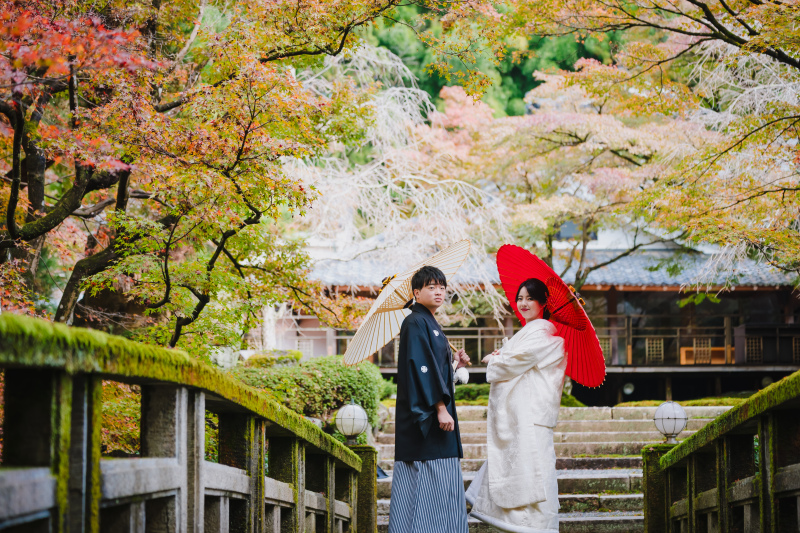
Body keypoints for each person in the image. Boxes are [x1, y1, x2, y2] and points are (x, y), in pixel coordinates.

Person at [465, 277, 567, 533]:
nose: (523, 303)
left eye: (530, 298)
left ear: (543, 302)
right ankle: (516, 522)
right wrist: (505, 354)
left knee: (536, 471)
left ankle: (536, 526)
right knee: (523, 468)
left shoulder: (547, 335)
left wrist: (495, 359)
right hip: (525, 413)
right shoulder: (531, 332)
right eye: (520, 298)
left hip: (532, 414)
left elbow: (518, 361)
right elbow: (518, 357)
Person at [388, 265, 471, 533]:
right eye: (431, 287)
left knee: (439, 479)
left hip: (436, 415)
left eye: (442, 287)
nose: (439, 292)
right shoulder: (414, 321)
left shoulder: (429, 322)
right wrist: (439, 407)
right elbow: (419, 367)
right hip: (427, 418)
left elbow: (435, 367)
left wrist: (454, 364)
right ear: (416, 292)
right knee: (428, 479)